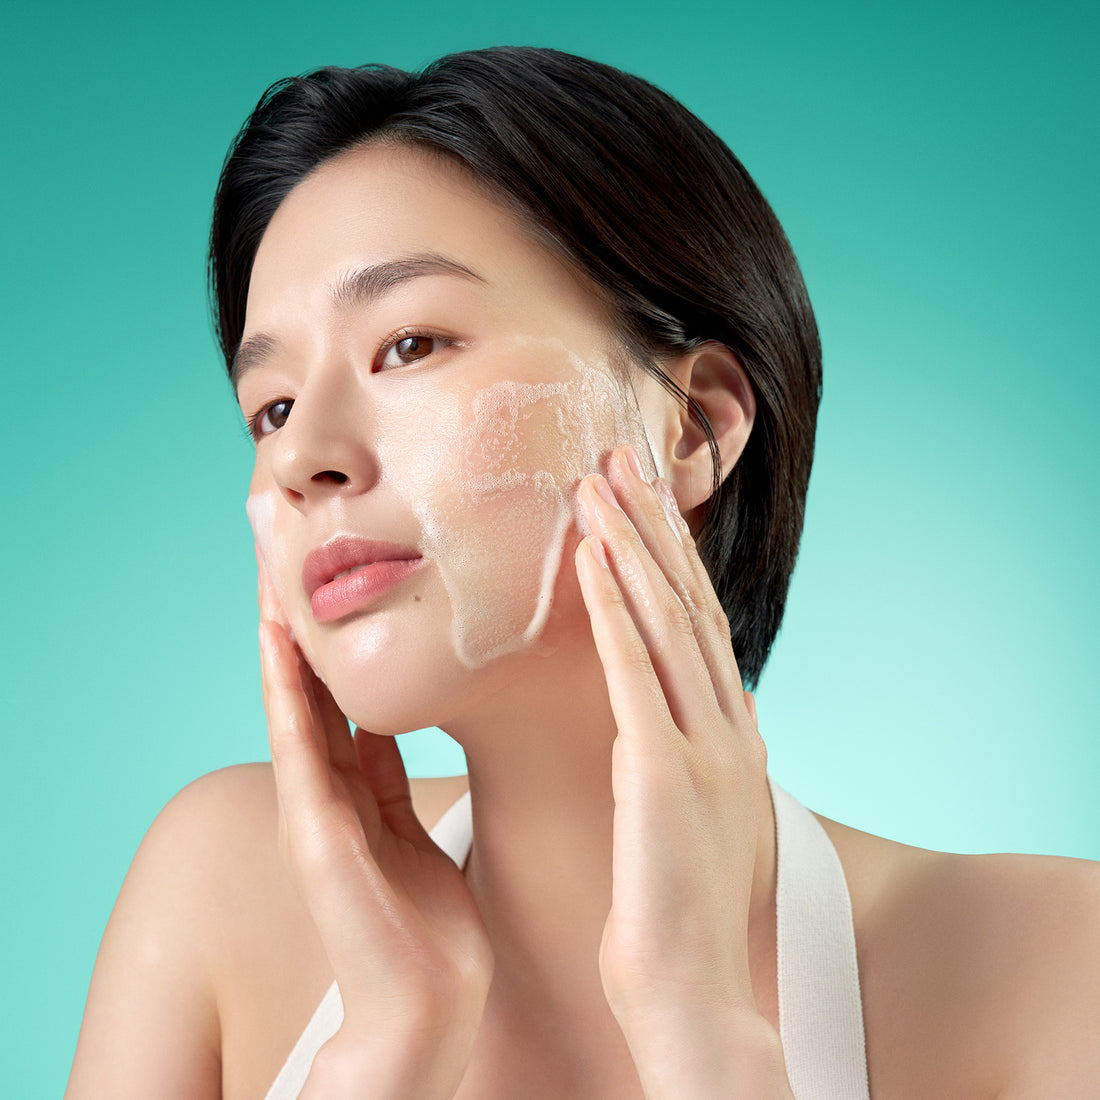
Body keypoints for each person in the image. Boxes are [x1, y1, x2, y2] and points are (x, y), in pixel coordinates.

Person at [65, 46, 1099, 1099]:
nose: (298, 458)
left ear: (691, 426)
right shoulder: (221, 889)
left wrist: (703, 1034)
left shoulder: (1059, 970)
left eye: (410, 343)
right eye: (271, 408)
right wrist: (389, 1044)